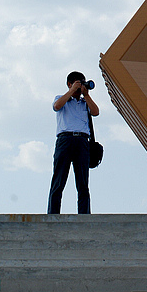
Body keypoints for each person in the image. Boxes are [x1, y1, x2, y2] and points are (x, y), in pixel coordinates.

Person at [47, 71, 100, 214]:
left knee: (83, 183)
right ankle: (53, 214)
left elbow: (95, 112)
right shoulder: (62, 98)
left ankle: (84, 215)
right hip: (65, 140)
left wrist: (86, 95)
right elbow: (57, 106)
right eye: (77, 84)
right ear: (70, 84)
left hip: (82, 141)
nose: (79, 88)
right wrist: (71, 91)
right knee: (59, 180)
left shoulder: (84, 102)